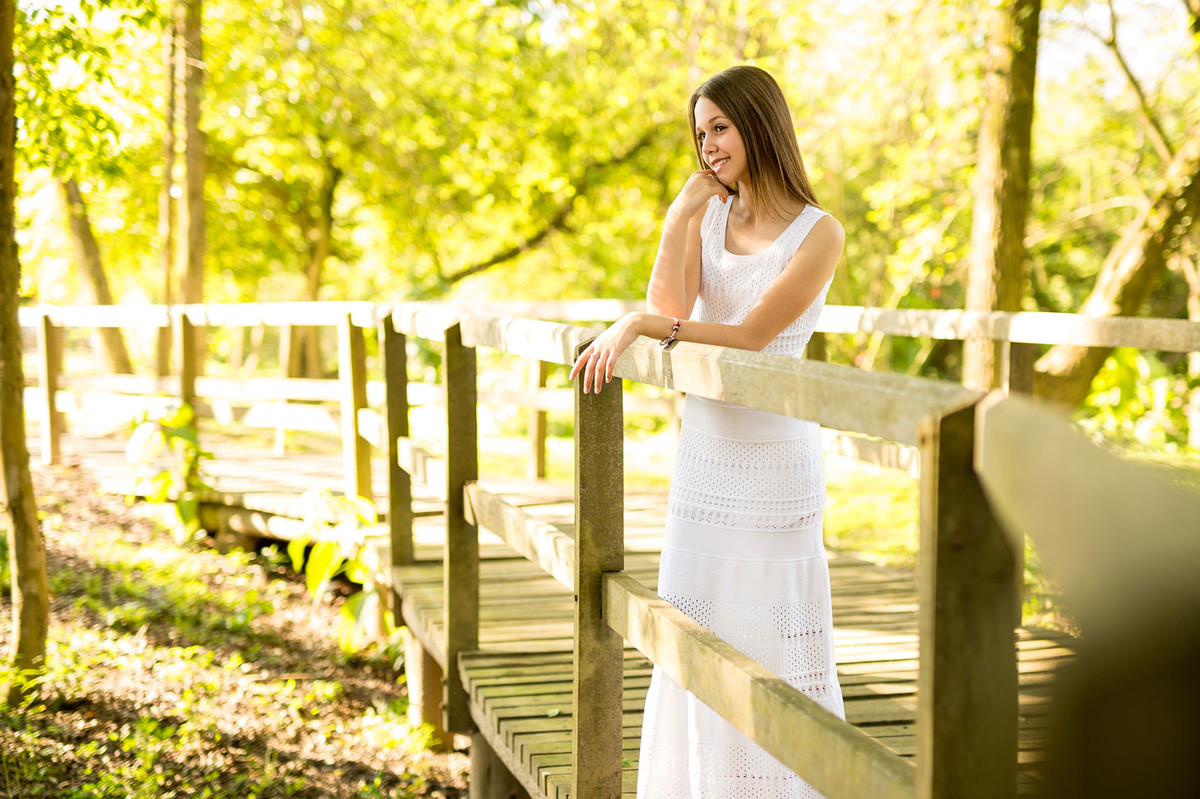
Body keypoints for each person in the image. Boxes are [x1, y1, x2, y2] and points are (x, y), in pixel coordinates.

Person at [568, 64, 845, 798]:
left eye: (720, 127)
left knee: (772, 635)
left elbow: (751, 336)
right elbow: (671, 301)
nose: (709, 145)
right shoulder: (711, 217)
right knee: (696, 631)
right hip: (706, 459)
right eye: (700, 133)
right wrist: (681, 215)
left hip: (776, 464)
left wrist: (639, 323)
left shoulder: (820, 233)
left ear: (759, 124)